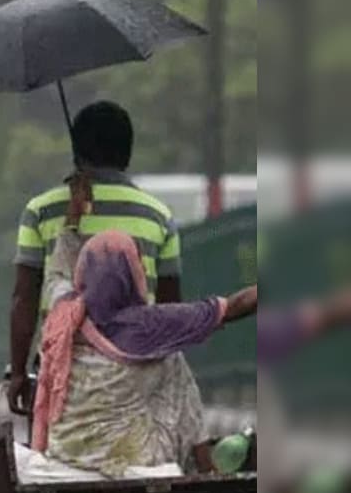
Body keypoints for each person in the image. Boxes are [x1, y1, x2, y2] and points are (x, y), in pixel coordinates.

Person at [33, 195, 257, 475]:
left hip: (67, 453)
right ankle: (204, 461)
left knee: (166, 357)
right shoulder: (151, 325)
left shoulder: (63, 313)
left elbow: (56, 270)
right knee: (172, 358)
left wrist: (73, 220)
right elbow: (232, 308)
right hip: (134, 457)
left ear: (84, 273)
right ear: (132, 273)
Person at [9, 100, 183, 415]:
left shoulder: (41, 211)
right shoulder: (159, 217)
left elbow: (25, 297)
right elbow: (170, 308)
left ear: (77, 150)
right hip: (136, 371)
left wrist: (19, 372)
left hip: (61, 372)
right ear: (127, 153)